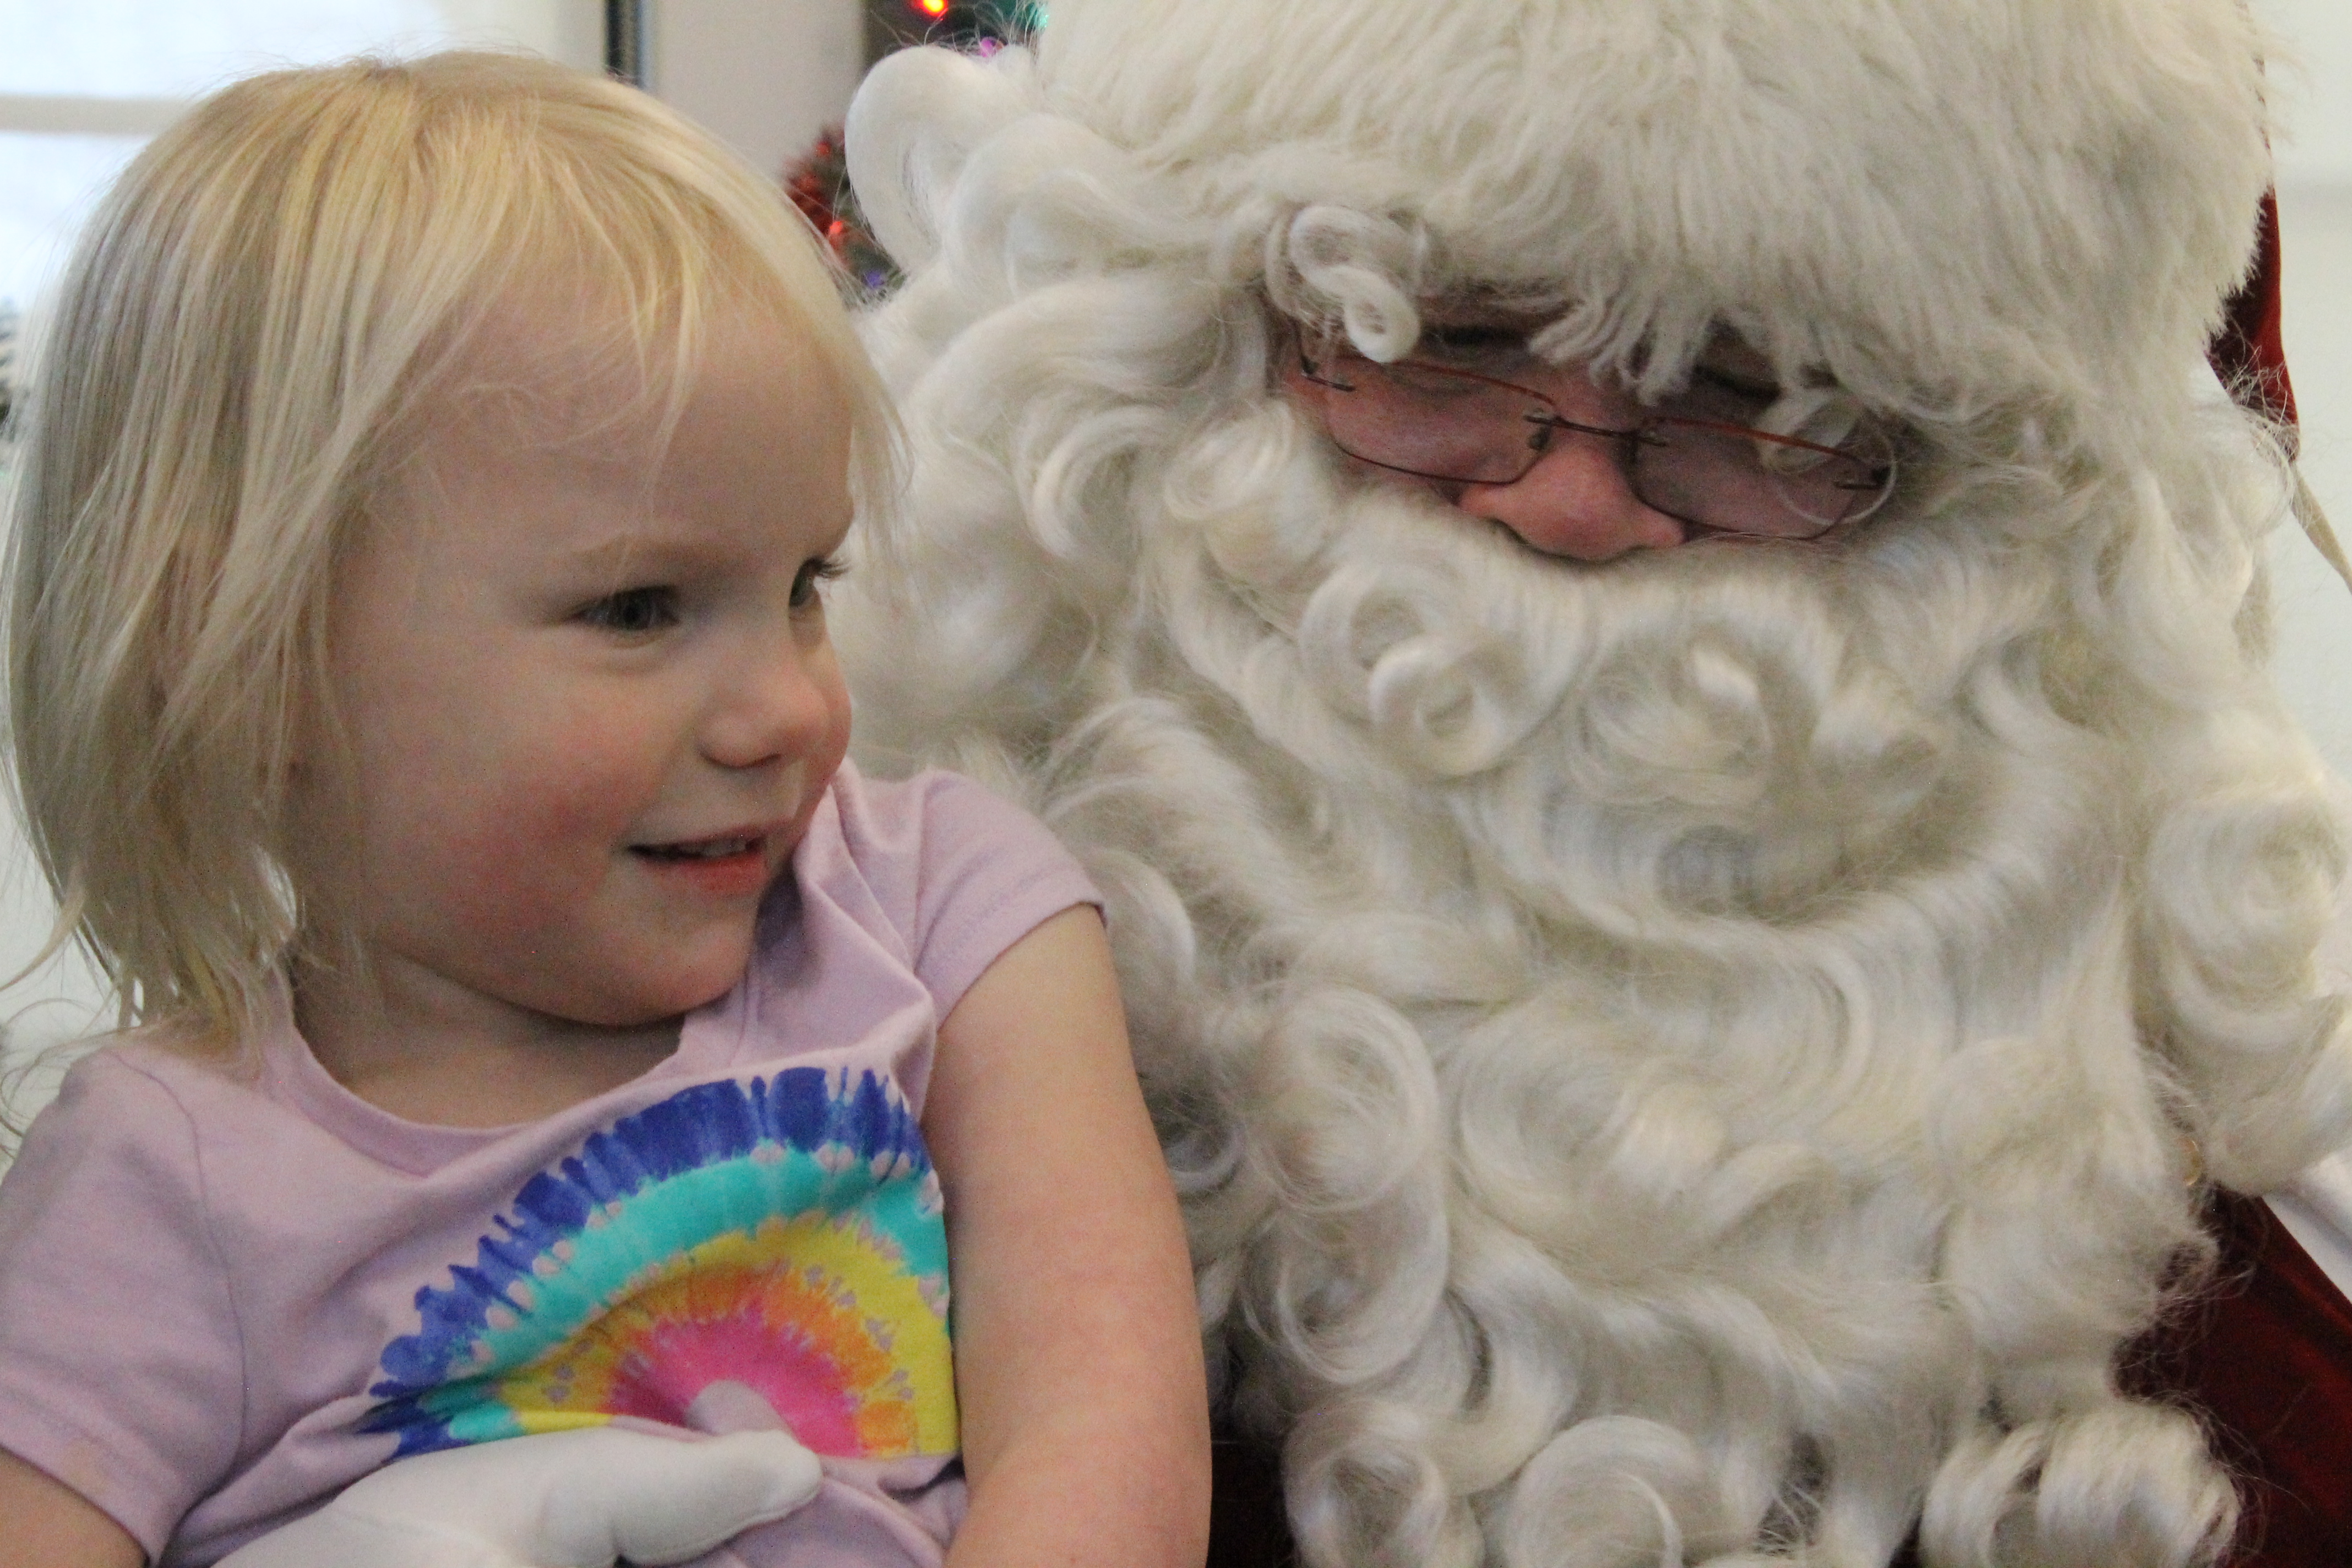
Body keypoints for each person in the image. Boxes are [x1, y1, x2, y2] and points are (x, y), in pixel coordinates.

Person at [822, 0, 2352, 1563]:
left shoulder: (2261, 1334)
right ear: (1183, 348)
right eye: (1450, 342)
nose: (1566, 506)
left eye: (1759, 398)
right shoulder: (801, 1076)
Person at [0, 51, 1208, 1568]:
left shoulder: (944, 910)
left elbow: (1110, 1442)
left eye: (805, 585)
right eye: (639, 609)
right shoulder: (160, 1175)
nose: (788, 709)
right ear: (248, 664)